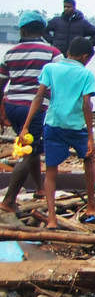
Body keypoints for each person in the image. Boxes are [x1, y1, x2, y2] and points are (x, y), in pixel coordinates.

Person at [19, 37, 95, 228]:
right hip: (76, 126)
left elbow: (39, 97)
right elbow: (86, 104)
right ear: (85, 56)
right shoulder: (86, 74)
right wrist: (90, 137)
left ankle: (52, 219)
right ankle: (90, 205)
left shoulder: (50, 68)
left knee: (51, 171)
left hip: (53, 124)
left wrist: (25, 126)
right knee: (88, 160)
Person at [0, 11, 62, 213]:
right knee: (30, 151)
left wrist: (1, 112)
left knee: (32, 147)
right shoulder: (52, 53)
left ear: (22, 30)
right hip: (34, 108)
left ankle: (39, 189)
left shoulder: (10, 53)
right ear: (42, 29)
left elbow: (1, 83)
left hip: (12, 106)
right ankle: (9, 200)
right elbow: (61, 82)